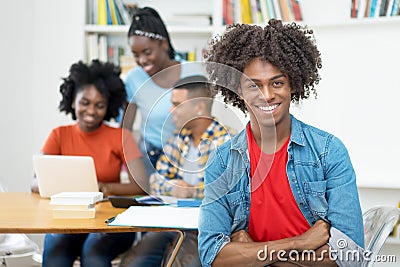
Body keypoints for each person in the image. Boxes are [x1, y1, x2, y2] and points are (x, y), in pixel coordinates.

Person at [198, 20, 365, 267]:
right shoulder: (222, 163)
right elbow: (212, 255)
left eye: (277, 83)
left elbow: (349, 253)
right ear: (238, 91)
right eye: (253, 85)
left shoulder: (328, 152)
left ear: (293, 85)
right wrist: (299, 243)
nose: (266, 95)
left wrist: (255, 255)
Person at [31, 59, 148, 267]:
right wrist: (77, 187)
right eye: (85, 102)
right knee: (56, 247)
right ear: (73, 101)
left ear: (108, 106)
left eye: (99, 105)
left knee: (93, 251)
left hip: (110, 223)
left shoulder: (122, 137)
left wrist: (103, 188)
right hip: (69, 221)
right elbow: (34, 184)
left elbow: (141, 185)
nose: (91, 111)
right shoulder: (59, 135)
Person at [120, 75, 234, 267]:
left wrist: (191, 191)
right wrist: (176, 188)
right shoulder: (178, 138)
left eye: (177, 104)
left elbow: (227, 192)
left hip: (208, 228)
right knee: (131, 263)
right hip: (174, 222)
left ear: (199, 107)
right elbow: (155, 181)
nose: (170, 110)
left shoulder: (227, 141)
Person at [122, 6, 204, 175]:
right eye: (136, 55)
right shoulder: (133, 79)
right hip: (150, 158)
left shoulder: (194, 73)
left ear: (164, 44)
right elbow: (125, 130)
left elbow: (204, 120)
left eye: (147, 52)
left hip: (189, 155)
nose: (142, 60)